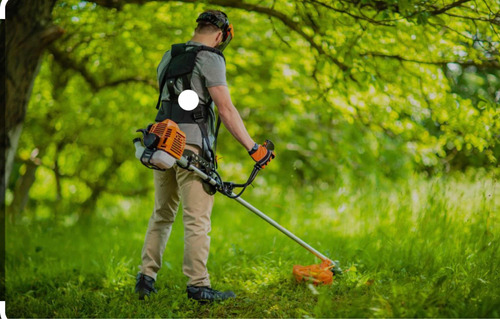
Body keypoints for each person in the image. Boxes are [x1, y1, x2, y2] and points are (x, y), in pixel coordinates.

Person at [135, 10, 275, 302]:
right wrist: (254, 148)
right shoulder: (210, 58)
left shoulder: (167, 56)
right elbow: (226, 109)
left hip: (161, 146)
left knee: (161, 214)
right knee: (197, 220)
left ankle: (145, 279)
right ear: (221, 35)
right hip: (192, 150)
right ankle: (198, 285)